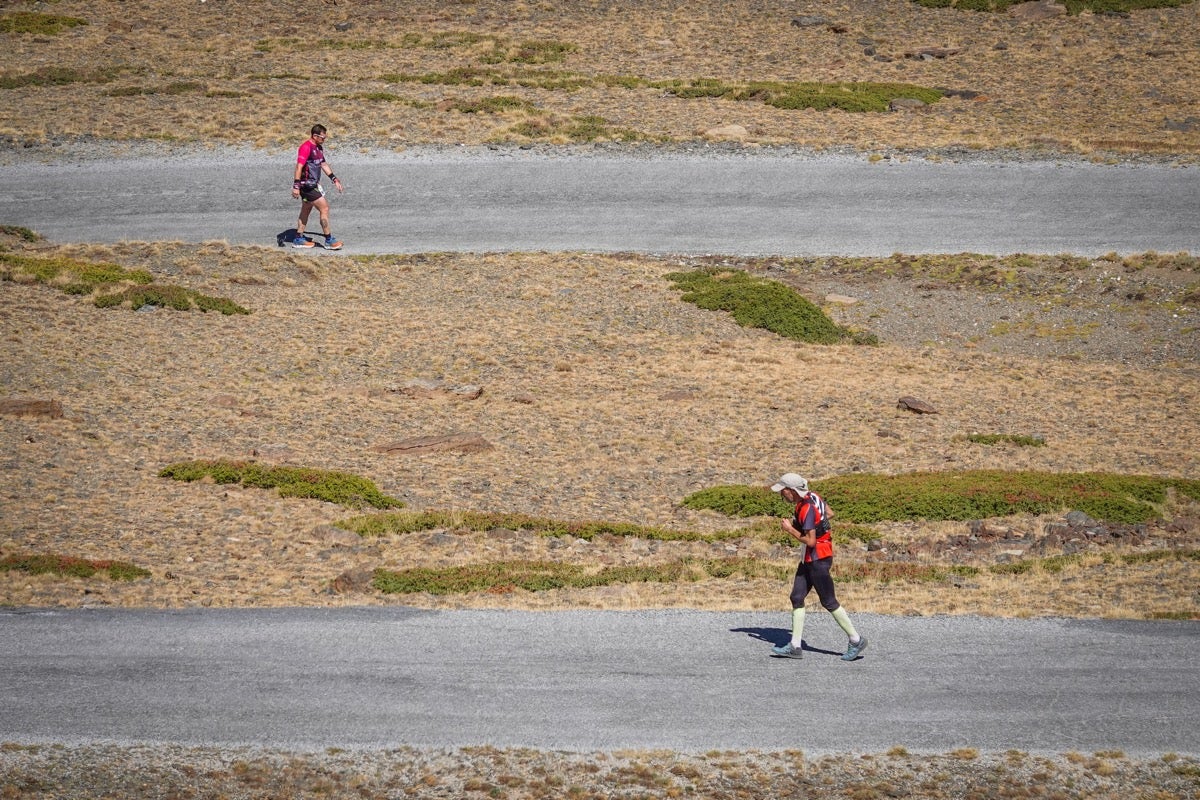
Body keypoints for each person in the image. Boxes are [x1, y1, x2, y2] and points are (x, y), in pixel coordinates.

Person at [769, 472, 868, 661]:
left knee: (829, 601)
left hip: (817, 559)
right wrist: (819, 527)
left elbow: (811, 541)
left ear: (791, 491)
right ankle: (795, 646)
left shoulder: (806, 508)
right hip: (810, 557)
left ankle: (856, 640)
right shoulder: (813, 496)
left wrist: (790, 529)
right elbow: (830, 514)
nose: (781, 494)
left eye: (783, 491)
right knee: (797, 597)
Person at [291, 124, 344, 250]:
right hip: (307, 186)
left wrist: (334, 179)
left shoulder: (319, 148)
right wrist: (296, 186)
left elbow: (323, 164)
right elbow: (299, 166)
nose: (324, 140)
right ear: (315, 136)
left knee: (306, 209)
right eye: (322, 137)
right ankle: (329, 240)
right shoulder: (306, 147)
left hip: (313, 184)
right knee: (324, 208)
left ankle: (298, 239)